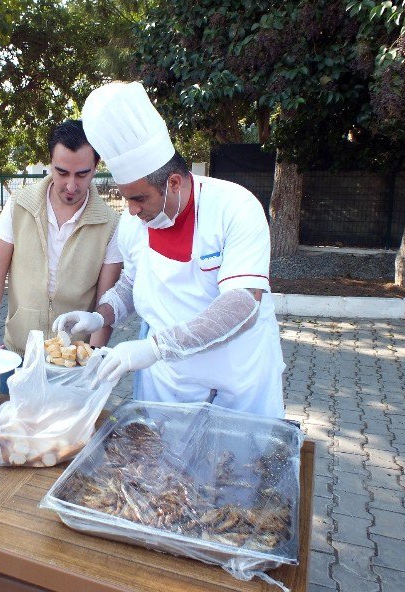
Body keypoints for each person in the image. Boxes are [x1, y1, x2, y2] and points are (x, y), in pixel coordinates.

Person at [54, 82, 285, 418]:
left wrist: (155, 346)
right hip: (170, 384)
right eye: (126, 197)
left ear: (173, 183)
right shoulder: (134, 224)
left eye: (139, 198)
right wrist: (98, 316)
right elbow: (132, 285)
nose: (131, 210)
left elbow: (243, 303)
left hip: (238, 384)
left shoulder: (234, 207)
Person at [0, 119, 123, 374]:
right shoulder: (20, 204)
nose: (70, 185)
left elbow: (105, 301)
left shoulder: (110, 224)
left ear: (96, 167)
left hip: (73, 360)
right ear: (50, 163)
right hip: (19, 353)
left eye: (82, 174)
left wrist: (94, 359)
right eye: (62, 172)